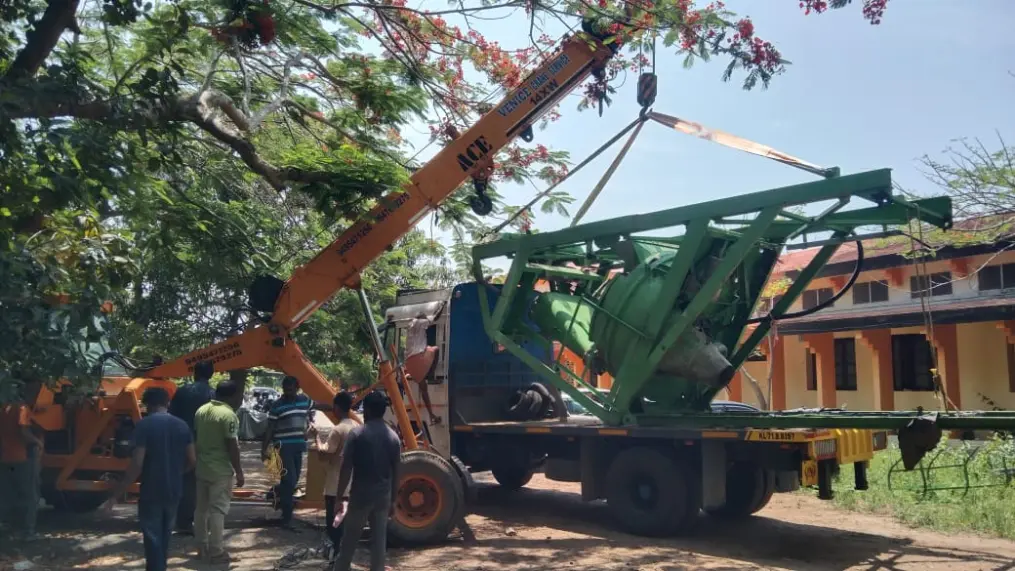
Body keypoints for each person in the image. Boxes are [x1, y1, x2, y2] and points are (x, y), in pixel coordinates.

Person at [101, 387, 196, 571]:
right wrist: (178, 473)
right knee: (165, 536)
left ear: (147, 405)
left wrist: (117, 493)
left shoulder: (144, 426)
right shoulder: (182, 425)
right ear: (168, 403)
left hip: (151, 490)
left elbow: (137, 463)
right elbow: (192, 460)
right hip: (174, 490)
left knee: (152, 538)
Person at [332, 391, 402, 571]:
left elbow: (346, 468)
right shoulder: (393, 437)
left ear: (368, 410)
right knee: (379, 543)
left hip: (361, 496)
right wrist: (394, 500)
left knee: (348, 542)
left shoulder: (357, 434)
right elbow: (397, 471)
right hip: (383, 497)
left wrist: (340, 497)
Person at [193, 380, 245, 564]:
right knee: (217, 510)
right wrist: (239, 471)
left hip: (202, 467)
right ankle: (216, 552)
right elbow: (232, 445)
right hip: (220, 470)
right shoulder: (229, 415)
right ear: (232, 396)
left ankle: (201, 547)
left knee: (201, 510)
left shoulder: (201, 411)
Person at [308, 391, 360, 559]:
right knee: (348, 526)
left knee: (334, 527)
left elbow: (325, 454)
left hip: (335, 487)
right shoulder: (357, 427)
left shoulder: (338, 430)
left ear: (337, 408)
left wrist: (316, 437)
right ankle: (345, 558)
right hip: (354, 486)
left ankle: (337, 559)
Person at [167, 360, 215, 535]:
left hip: (181, 442)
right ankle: (198, 520)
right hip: (205, 443)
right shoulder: (213, 394)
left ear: (194, 373)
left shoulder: (183, 391)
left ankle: (181, 520)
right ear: (210, 374)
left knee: (182, 479)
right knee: (201, 482)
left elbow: (171, 415)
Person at [262, 375, 315, 529]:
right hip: (282, 447)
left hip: (298, 447)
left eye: (290, 389)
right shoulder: (277, 405)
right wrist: (264, 448)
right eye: (285, 389)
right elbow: (270, 429)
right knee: (290, 480)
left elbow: (317, 406)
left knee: (293, 480)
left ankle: (277, 494)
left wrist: (337, 405)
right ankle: (287, 517)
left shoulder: (304, 400)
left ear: (297, 388)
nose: (287, 392)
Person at [0, 397, 44, 541]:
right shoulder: (21, 408)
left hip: (5, 458)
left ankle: (7, 527)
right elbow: (24, 432)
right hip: (23, 458)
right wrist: (38, 442)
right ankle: (27, 531)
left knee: (7, 494)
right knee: (30, 495)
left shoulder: (3, 407)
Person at [403, 310, 441, 425]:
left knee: (423, 388)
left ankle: (431, 415)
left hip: (409, 362)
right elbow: (435, 318)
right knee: (436, 349)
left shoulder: (410, 324)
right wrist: (440, 308)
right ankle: (431, 374)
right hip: (419, 358)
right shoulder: (421, 322)